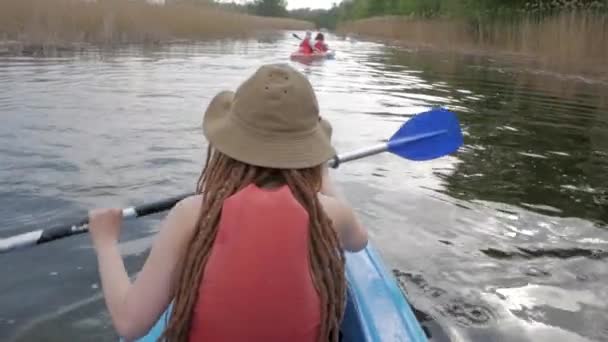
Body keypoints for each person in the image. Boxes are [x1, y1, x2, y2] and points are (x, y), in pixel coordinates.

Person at [88, 63, 368, 342]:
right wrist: (325, 178)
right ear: (310, 151)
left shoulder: (193, 214)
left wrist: (106, 242)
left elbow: (129, 323)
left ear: (226, 147)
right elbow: (359, 242)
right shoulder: (331, 213)